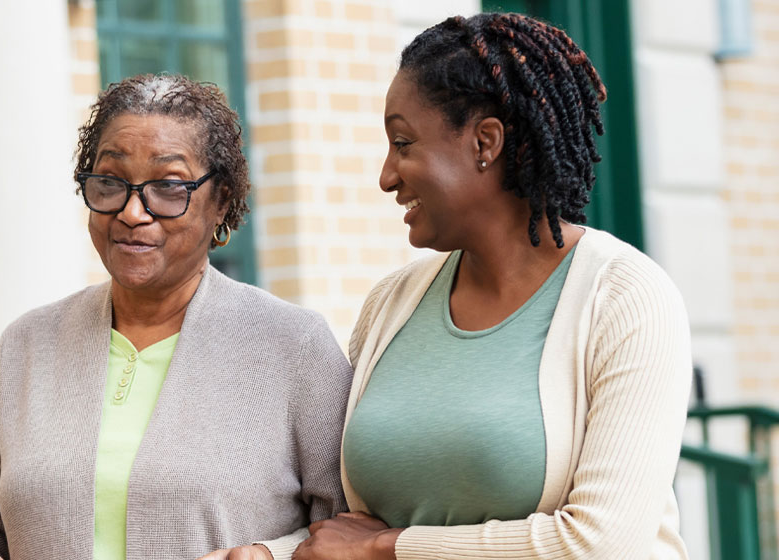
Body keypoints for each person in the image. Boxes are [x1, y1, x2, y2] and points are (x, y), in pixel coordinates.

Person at [295, 13, 691, 559]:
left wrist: (388, 550)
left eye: (403, 143)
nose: (387, 175)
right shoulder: (391, 305)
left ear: (486, 142)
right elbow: (341, 529)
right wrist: (267, 551)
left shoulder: (625, 299)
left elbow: (599, 545)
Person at [0, 73, 350, 560]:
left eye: (168, 187)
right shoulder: (28, 345)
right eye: (110, 182)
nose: (132, 211)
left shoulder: (293, 346)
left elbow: (348, 533)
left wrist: (267, 555)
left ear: (222, 203)